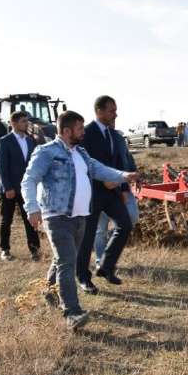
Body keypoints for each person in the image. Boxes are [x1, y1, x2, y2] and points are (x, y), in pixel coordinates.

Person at [21, 110, 137, 329]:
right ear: (66, 131)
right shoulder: (46, 152)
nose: (83, 132)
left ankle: (49, 292)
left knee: (62, 259)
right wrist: (32, 207)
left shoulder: (81, 153)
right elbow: (29, 180)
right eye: (80, 128)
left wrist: (123, 176)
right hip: (57, 217)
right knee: (68, 262)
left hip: (80, 216)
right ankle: (72, 313)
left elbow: (98, 169)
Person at [77, 95, 133, 294]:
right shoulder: (86, 133)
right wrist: (103, 179)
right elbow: (84, 163)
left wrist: (124, 188)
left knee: (125, 224)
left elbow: (120, 162)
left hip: (112, 192)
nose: (115, 114)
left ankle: (106, 267)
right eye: (111, 110)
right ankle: (83, 278)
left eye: (115, 110)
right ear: (99, 111)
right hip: (92, 193)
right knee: (87, 236)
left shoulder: (114, 134)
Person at [0, 110, 40, 261]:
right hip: (9, 189)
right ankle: (5, 250)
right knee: (6, 220)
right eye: (23, 121)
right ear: (13, 123)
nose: (26, 124)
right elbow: (1, 167)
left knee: (30, 218)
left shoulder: (30, 141)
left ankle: (34, 250)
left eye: (26, 121)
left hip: (26, 189)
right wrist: (8, 188)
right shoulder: (4, 141)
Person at [94, 120, 139, 270]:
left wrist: (129, 183)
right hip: (100, 190)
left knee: (131, 217)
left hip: (120, 188)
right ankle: (102, 261)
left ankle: (112, 241)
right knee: (100, 229)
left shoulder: (119, 139)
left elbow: (127, 160)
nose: (112, 121)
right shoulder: (90, 138)